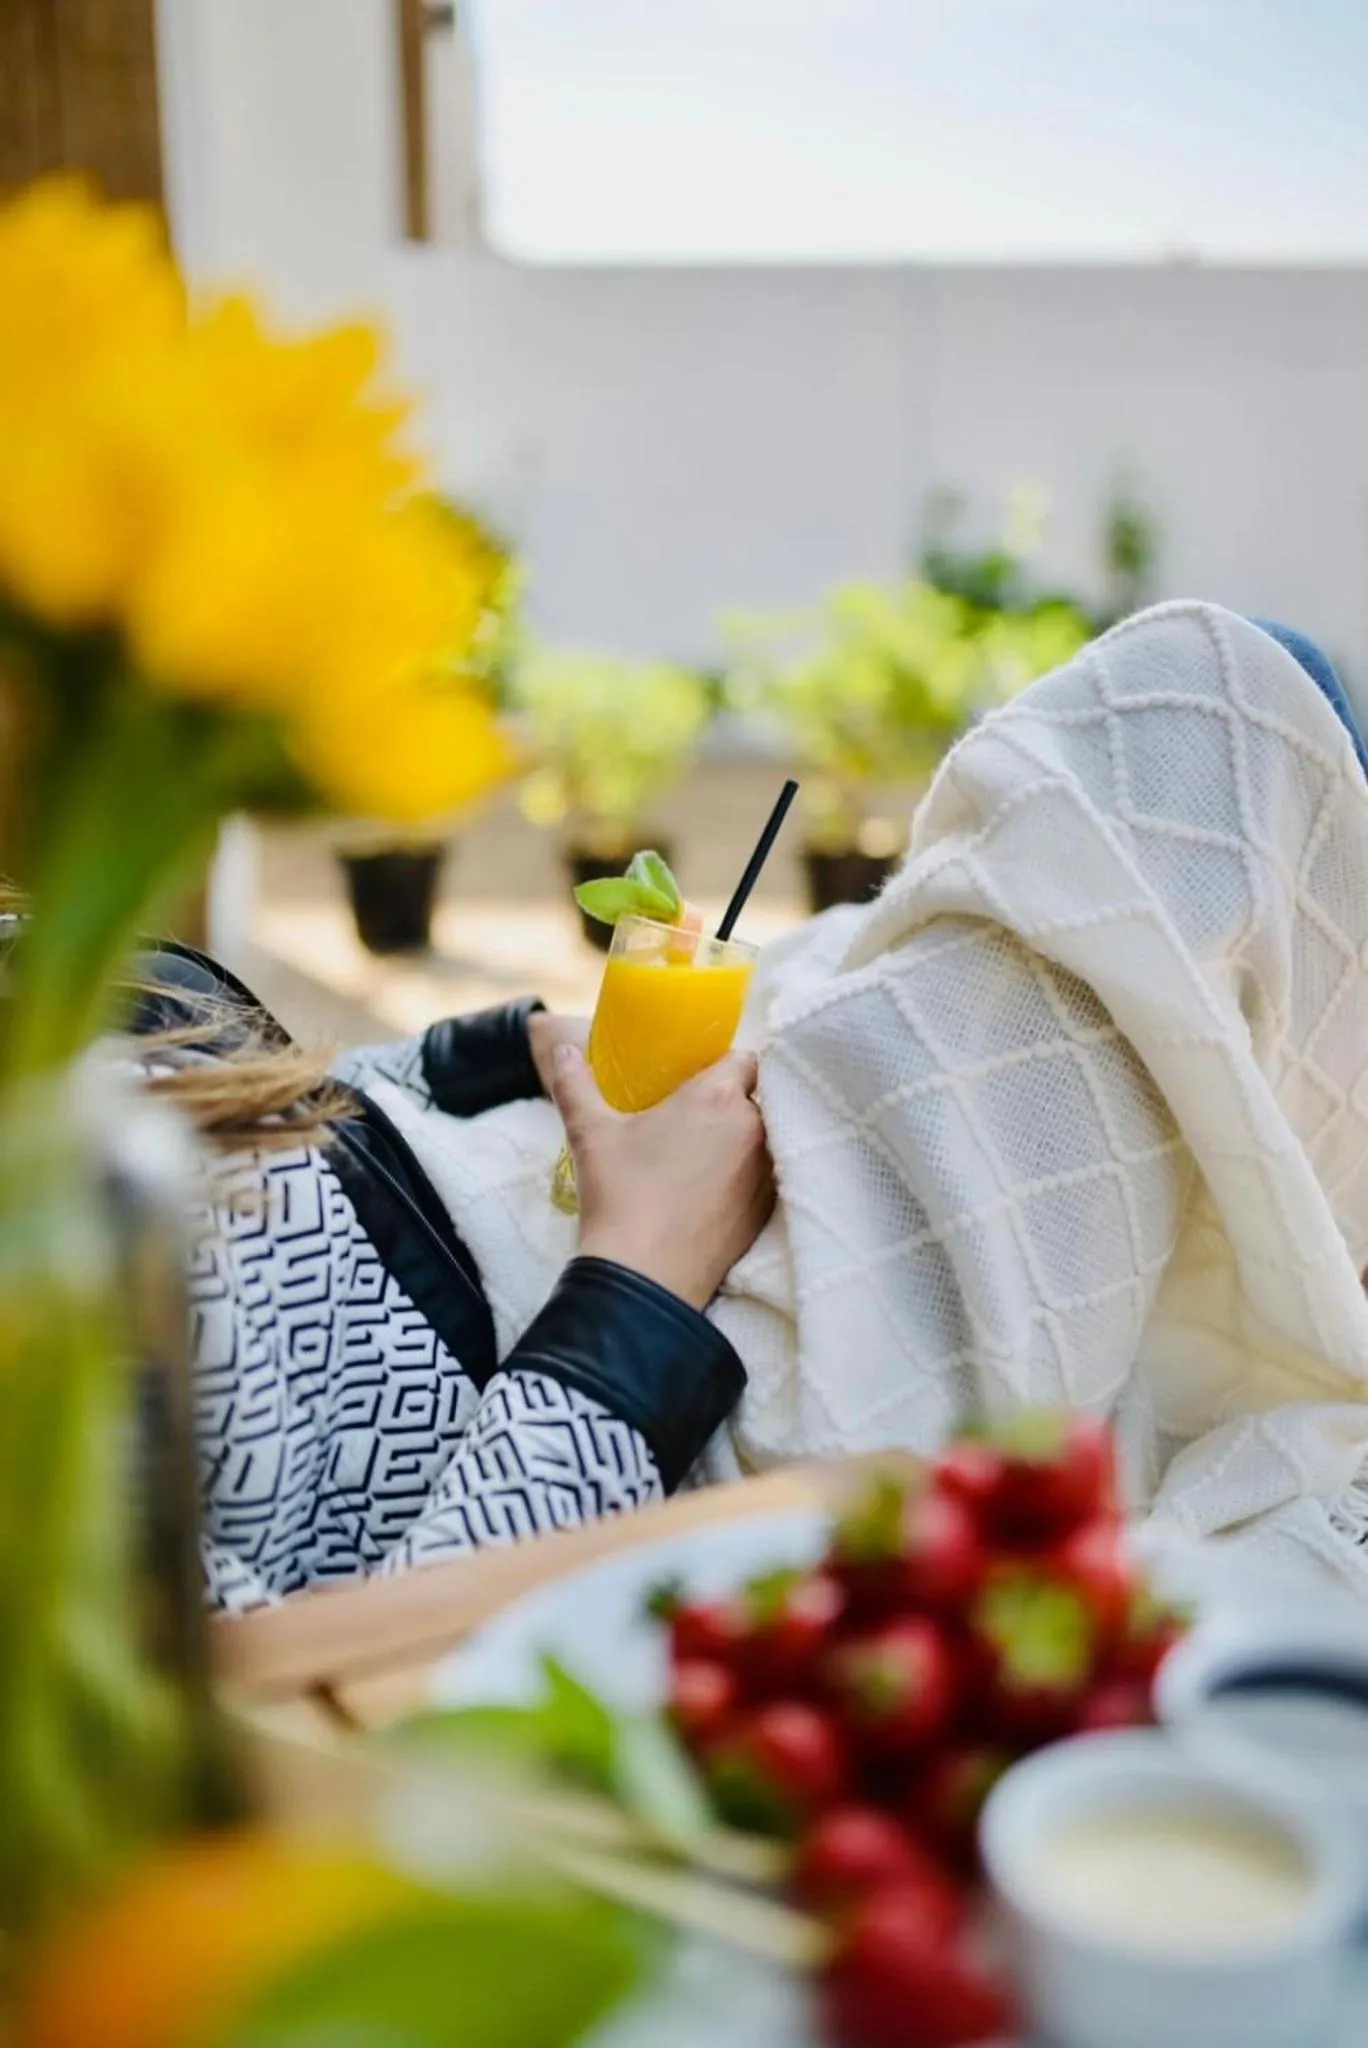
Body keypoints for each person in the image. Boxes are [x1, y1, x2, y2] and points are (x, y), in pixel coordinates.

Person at [132, 952, 771, 1610]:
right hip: (593, 1377)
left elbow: (240, 1091)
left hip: (589, 1174)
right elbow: (329, 1669)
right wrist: (643, 1292)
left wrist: (493, 1055)